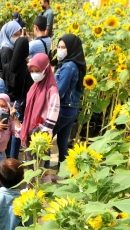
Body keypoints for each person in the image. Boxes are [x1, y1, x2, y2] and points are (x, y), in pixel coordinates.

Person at [51, 34, 86, 167]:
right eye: (59, 47)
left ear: (71, 48)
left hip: (63, 108)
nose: (60, 50)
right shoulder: (75, 64)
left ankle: (45, 170)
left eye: (63, 47)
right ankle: (63, 170)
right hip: (72, 108)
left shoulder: (68, 67)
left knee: (46, 138)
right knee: (62, 141)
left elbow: (59, 91)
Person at [20, 53, 60, 155]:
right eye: (32, 71)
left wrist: (44, 132)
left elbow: (53, 113)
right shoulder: (34, 87)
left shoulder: (52, 90)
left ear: (46, 69)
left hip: (41, 135)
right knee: (29, 161)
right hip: (30, 130)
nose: (34, 74)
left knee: (39, 164)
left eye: (37, 71)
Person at [2, 37, 33, 159]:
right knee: (16, 131)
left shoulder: (6, 67)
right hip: (19, 103)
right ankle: (13, 159)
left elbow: (4, 83)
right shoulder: (27, 70)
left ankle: (4, 155)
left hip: (6, 101)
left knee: (5, 128)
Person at [0, 21, 23, 94]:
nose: (18, 37)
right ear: (8, 34)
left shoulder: (11, 46)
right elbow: (8, 73)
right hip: (4, 85)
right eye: (15, 35)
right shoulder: (6, 50)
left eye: (19, 35)